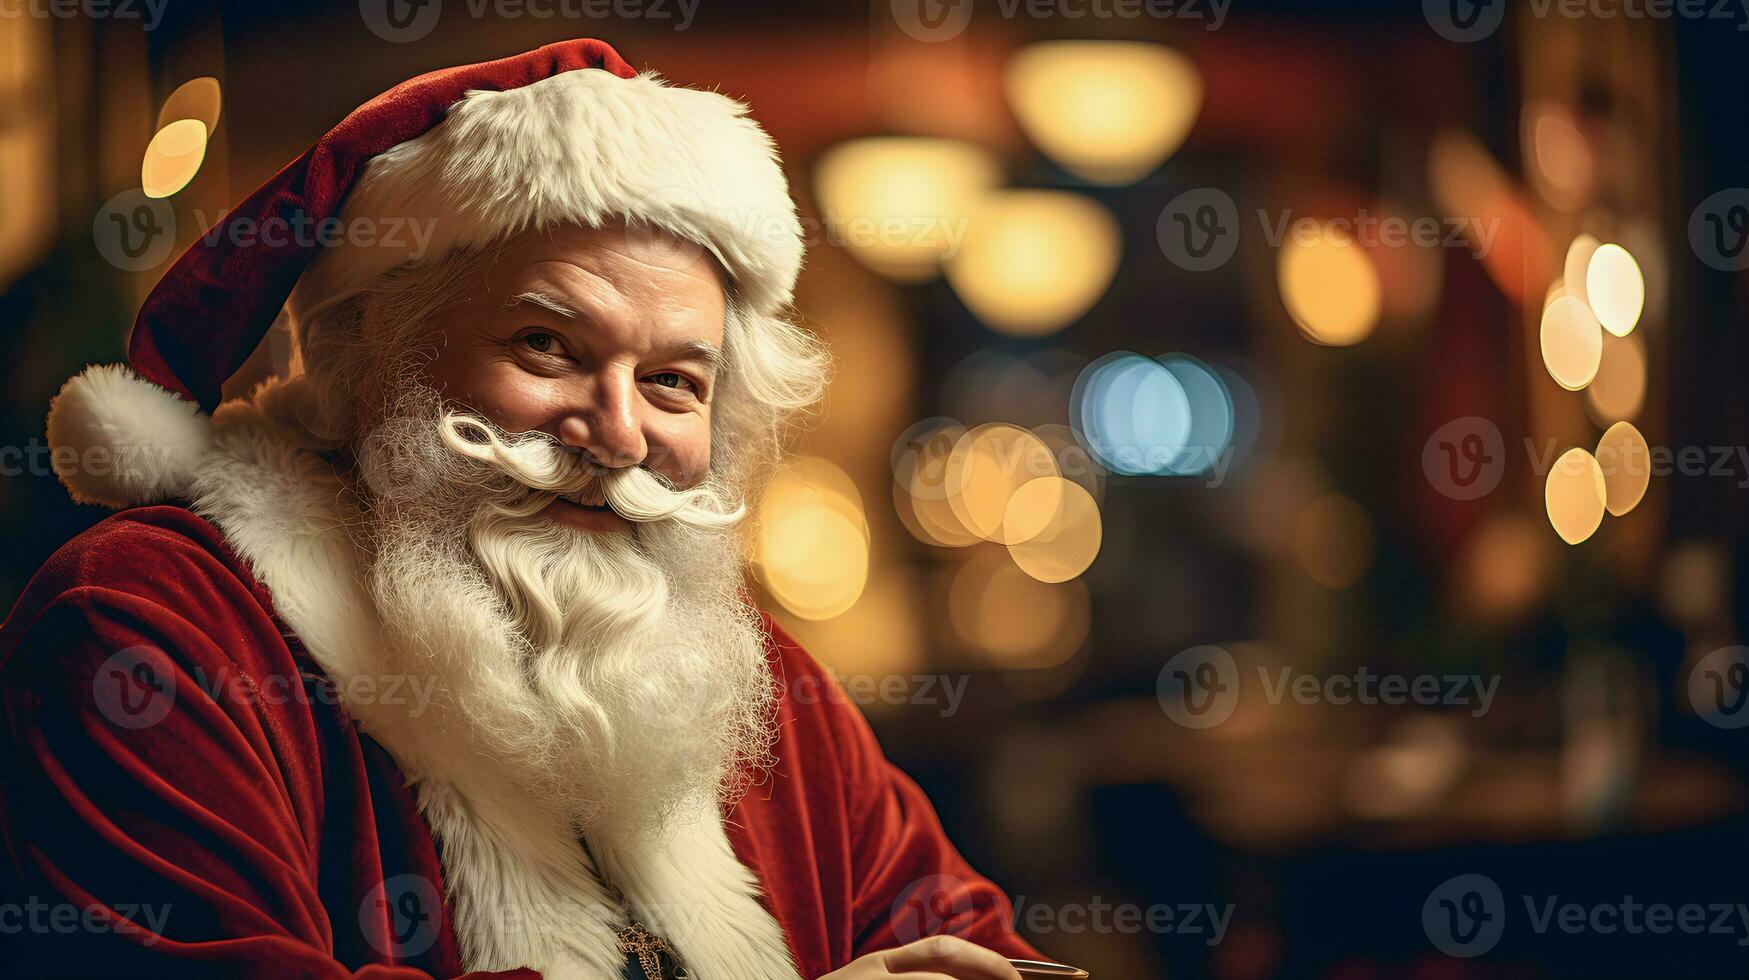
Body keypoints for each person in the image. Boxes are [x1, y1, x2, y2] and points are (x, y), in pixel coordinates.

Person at [0, 38, 1042, 980]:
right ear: (373, 360)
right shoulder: (148, 628)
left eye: (676, 380)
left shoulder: (751, 685)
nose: (621, 432)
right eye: (548, 345)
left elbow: (969, 938)